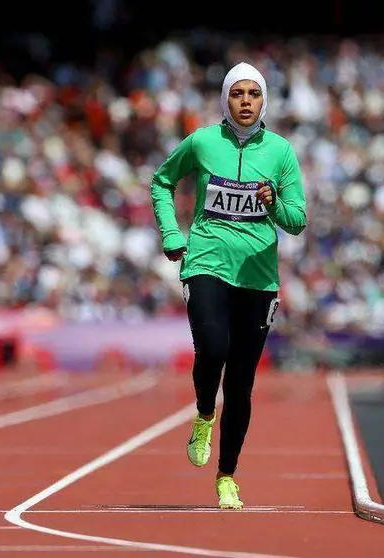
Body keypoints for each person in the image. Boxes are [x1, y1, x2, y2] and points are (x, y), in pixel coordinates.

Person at [149, 62, 307, 509]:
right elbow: (161, 181)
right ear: (225, 99)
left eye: (253, 94)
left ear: (263, 102)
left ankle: (227, 476)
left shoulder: (280, 152)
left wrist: (275, 203)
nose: (244, 101)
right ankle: (203, 414)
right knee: (213, 349)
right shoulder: (201, 141)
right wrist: (171, 233)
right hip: (206, 262)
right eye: (237, 93)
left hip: (258, 277)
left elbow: (297, 221)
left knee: (240, 383)